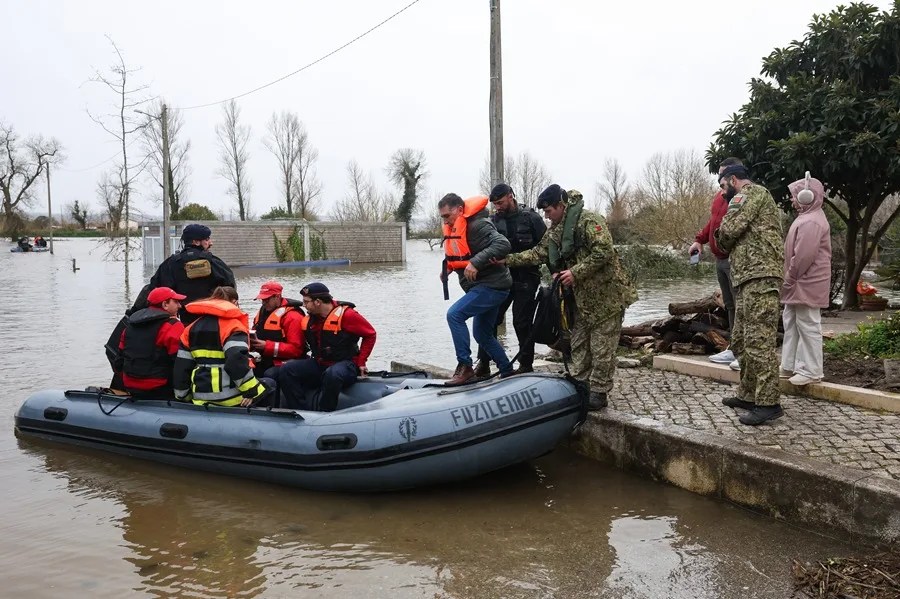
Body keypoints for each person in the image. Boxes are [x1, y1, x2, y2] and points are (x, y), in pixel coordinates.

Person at [503, 185, 638, 410]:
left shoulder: (589, 221)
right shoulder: (556, 230)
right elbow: (538, 253)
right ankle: (579, 383)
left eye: (549, 211)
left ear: (561, 205)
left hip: (607, 297)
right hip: (582, 301)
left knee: (602, 347)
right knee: (579, 344)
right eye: (544, 212)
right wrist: (507, 260)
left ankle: (599, 392)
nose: (546, 216)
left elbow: (603, 251)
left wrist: (575, 272)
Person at [714, 164, 785, 425]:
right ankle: (748, 394)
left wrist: (720, 232)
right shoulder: (747, 197)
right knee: (742, 340)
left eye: (723, 186)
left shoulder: (750, 194)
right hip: (747, 277)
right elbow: (723, 240)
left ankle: (769, 403)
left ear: (733, 180)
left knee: (759, 340)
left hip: (760, 275)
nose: (722, 193)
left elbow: (727, 234)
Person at [439, 193, 513, 384]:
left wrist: (476, 263)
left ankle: (465, 367)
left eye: (448, 215)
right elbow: (460, 253)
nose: (446, 220)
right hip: (481, 287)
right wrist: (448, 268)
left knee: (454, 315)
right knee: (481, 334)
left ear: (460, 210)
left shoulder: (478, 225)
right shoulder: (454, 228)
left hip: (493, 286)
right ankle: (507, 371)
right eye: (443, 217)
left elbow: (503, 244)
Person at [474, 183, 547, 377]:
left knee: (521, 322)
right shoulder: (492, 222)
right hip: (499, 280)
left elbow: (547, 248)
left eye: (500, 202)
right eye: (495, 204)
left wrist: (557, 271)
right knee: (490, 320)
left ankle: (525, 364)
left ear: (511, 196)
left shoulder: (532, 218)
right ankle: (483, 362)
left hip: (526, 279)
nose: (497, 207)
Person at [275, 283, 377, 412]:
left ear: (318, 302)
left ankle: (325, 411)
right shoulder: (310, 320)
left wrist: (362, 361)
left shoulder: (347, 315)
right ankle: (300, 411)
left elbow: (370, 334)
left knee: (333, 374)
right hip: (320, 363)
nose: (304, 305)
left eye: (306, 302)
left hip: (346, 364)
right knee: (287, 369)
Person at [173, 286, 271, 407]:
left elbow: (182, 367)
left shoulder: (191, 328)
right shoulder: (233, 327)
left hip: (200, 397)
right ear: (234, 303)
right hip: (230, 398)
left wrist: (183, 396)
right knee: (269, 385)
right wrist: (251, 391)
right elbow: (236, 361)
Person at [690, 157, 743, 365]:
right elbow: (714, 221)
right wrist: (699, 240)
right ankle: (735, 347)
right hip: (719, 259)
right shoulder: (720, 196)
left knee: (742, 305)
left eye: (724, 175)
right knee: (730, 305)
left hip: (735, 257)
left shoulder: (741, 197)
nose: (721, 180)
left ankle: (744, 352)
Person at [780, 172, 831, 386]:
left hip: (806, 282)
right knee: (791, 321)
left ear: (807, 196)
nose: (792, 199)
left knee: (808, 324)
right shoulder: (807, 217)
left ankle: (811, 370)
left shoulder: (811, 221)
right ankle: (789, 364)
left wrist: (790, 277)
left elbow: (803, 257)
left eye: (795, 194)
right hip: (800, 282)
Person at [130, 224, 236, 325]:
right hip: (214, 321)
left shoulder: (170, 264)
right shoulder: (215, 263)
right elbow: (231, 288)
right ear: (196, 242)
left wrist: (132, 315)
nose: (210, 243)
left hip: (184, 322)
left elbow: (152, 291)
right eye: (207, 240)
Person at [116, 287, 186, 399]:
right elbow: (180, 362)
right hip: (159, 387)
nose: (179, 306)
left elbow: (119, 360)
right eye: (176, 302)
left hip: (130, 385)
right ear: (165, 305)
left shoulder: (130, 327)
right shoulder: (173, 326)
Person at [250, 280, 306, 377]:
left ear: (277, 296)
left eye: (266, 300)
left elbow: (296, 350)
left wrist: (266, 346)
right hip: (266, 359)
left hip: (286, 362)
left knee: (269, 374)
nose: (263, 303)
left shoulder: (293, 316)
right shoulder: (262, 313)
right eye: (262, 300)